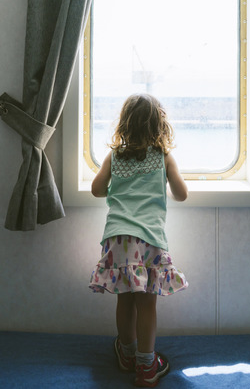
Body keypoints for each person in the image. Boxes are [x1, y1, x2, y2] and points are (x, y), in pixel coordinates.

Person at [89, 93, 189, 387]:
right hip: (149, 239)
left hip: (117, 237)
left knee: (124, 300)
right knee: (147, 305)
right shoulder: (163, 157)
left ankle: (127, 354)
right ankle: (146, 366)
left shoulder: (115, 156)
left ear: (124, 124)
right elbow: (182, 194)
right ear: (160, 125)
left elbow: (97, 190)